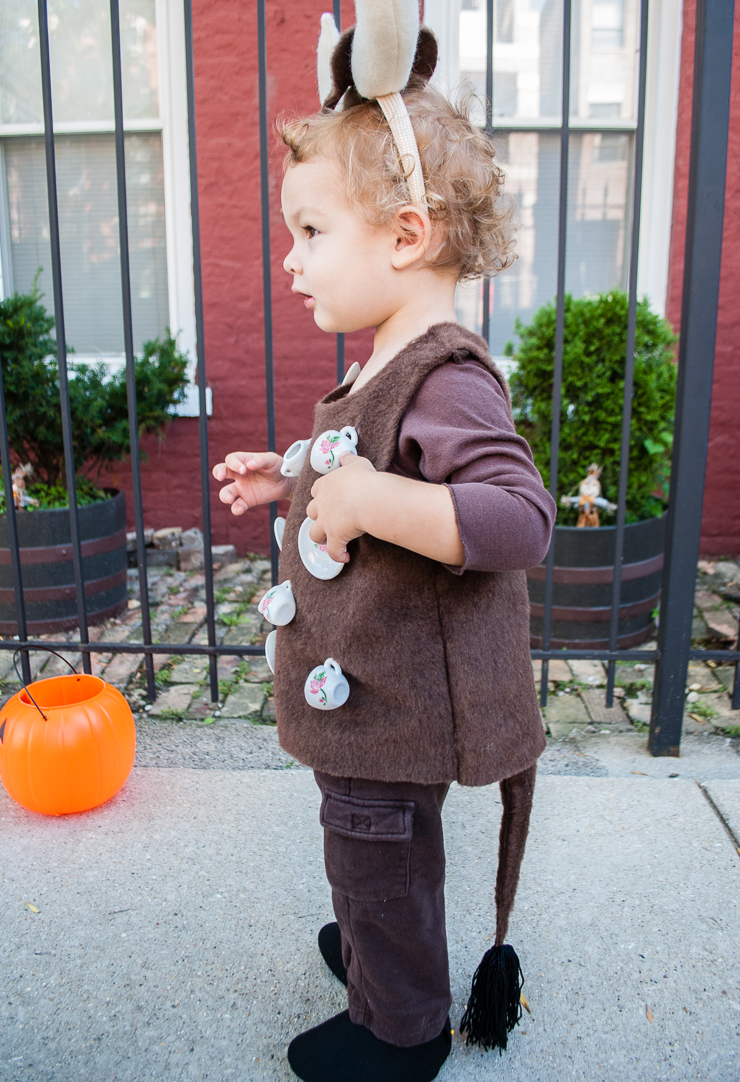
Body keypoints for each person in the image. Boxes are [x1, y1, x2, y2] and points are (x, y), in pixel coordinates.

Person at [213, 13, 556, 1082]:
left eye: (310, 232)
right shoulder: (389, 360)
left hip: (394, 704)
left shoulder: (446, 370)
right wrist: (301, 474)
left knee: (377, 854)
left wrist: (364, 498)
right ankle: (376, 952)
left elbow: (516, 517)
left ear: (403, 236)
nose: (289, 258)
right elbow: (368, 458)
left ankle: (396, 1027)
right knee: (366, 850)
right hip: (363, 692)